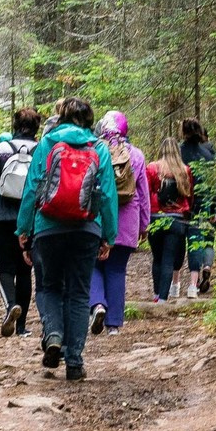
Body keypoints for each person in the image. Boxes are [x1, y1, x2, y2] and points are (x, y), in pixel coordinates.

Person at [13, 95, 118, 381]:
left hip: (48, 226)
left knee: (48, 287)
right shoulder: (99, 147)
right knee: (79, 293)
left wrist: (23, 229)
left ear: (60, 118)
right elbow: (107, 195)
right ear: (89, 120)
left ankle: (54, 334)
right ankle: (74, 362)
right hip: (87, 229)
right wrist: (109, 235)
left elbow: (32, 187)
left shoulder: (48, 143)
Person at [0, 107, 42, 336]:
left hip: (3, 215)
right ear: (36, 127)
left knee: (5, 267)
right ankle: (22, 326)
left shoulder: (3, 148)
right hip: (31, 216)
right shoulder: (41, 149)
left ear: (15, 124)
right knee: (25, 270)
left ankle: (10, 304)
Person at [85, 110, 150, 335]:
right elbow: (143, 193)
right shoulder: (137, 155)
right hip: (127, 221)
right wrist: (144, 224)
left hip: (98, 218)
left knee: (93, 266)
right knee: (117, 270)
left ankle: (97, 305)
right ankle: (113, 325)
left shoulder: (94, 150)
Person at [147, 151, 195, 302]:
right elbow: (189, 194)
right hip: (176, 218)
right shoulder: (184, 170)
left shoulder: (152, 168)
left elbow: (146, 192)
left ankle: (156, 294)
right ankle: (162, 298)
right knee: (168, 259)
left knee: (157, 258)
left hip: (155, 216)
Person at [181, 118, 216, 297]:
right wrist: (215, 207)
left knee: (192, 242)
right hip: (206, 202)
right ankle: (205, 268)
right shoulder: (209, 155)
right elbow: (214, 184)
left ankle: (189, 283)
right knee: (206, 240)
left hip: (184, 204)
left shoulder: (179, 153)